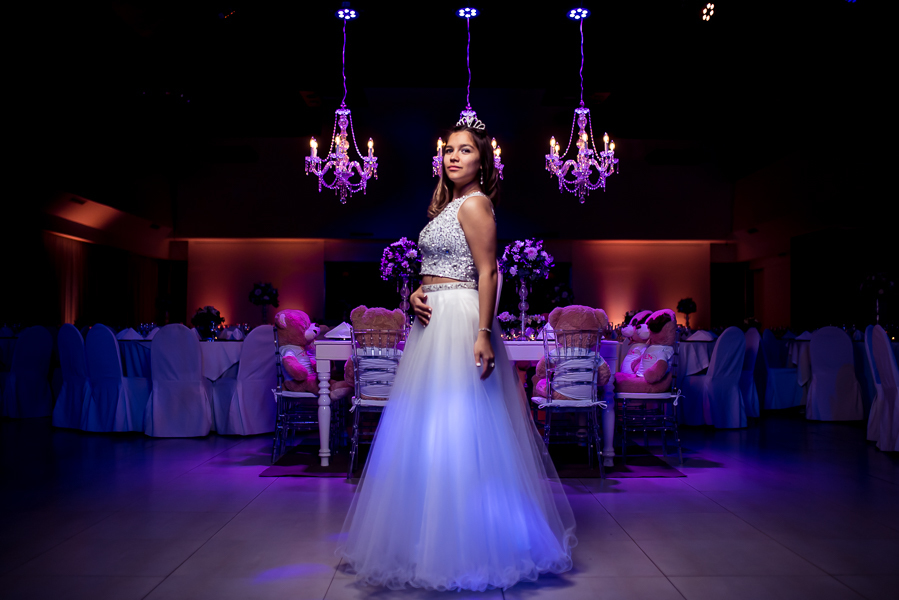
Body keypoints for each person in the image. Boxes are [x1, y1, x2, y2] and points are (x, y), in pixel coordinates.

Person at [337, 117, 577, 591]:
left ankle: (470, 543)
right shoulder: (442, 209)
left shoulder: (476, 204)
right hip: (433, 322)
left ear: (483, 162)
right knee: (426, 428)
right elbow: (434, 270)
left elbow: (489, 273)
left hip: (461, 320)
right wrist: (413, 296)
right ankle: (421, 538)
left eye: (465, 150)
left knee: (462, 426)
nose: (453, 156)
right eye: (449, 148)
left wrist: (484, 332)